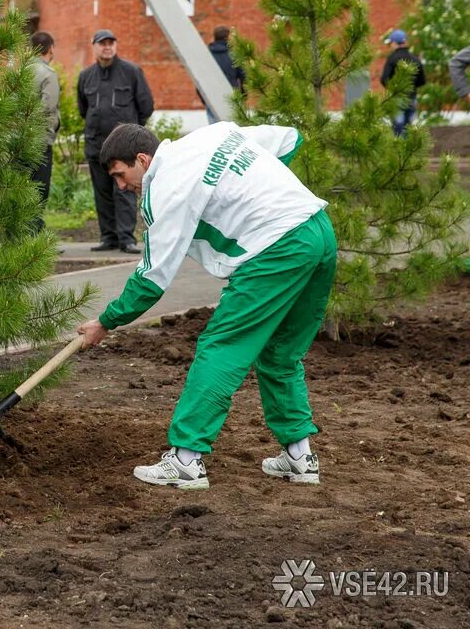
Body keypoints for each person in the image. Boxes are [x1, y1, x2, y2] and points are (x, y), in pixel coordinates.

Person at [76, 121, 336, 491]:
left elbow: (152, 278)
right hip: (318, 231)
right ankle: (299, 457)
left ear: (142, 159)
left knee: (220, 347)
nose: (121, 186)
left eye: (121, 174)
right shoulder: (212, 135)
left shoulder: (167, 188)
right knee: (280, 353)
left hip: (276, 249)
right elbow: (289, 138)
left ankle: (185, 461)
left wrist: (105, 322)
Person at [77, 29, 154, 253]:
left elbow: (146, 106)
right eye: (102, 43)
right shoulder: (86, 76)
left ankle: (126, 238)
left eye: (111, 42)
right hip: (96, 145)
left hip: (124, 150)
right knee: (101, 192)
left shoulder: (131, 72)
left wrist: (131, 133)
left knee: (125, 190)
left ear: (116, 46)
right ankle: (108, 237)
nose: (107, 46)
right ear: (94, 46)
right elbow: (84, 109)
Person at [28, 30, 61, 226]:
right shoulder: (48, 74)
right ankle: (34, 239)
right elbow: (47, 108)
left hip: (18, 141)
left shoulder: (20, 71)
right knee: (39, 191)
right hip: (40, 142)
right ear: (51, 49)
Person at [379, 29, 426, 137]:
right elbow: (422, 80)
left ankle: (399, 151)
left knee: (398, 128)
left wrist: (394, 89)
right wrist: (411, 87)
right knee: (410, 128)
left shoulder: (392, 59)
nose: (391, 45)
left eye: (391, 43)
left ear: (395, 43)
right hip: (412, 98)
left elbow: (384, 79)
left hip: (397, 98)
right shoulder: (415, 59)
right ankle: (409, 151)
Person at [201, 25, 244, 124]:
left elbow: (200, 81)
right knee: (233, 133)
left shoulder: (206, 55)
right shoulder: (234, 55)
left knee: (214, 134)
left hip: (211, 97)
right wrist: (242, 96)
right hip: (232, 98)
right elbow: (244, 77)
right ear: (227, 38)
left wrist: (204, 99)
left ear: (215, 37)